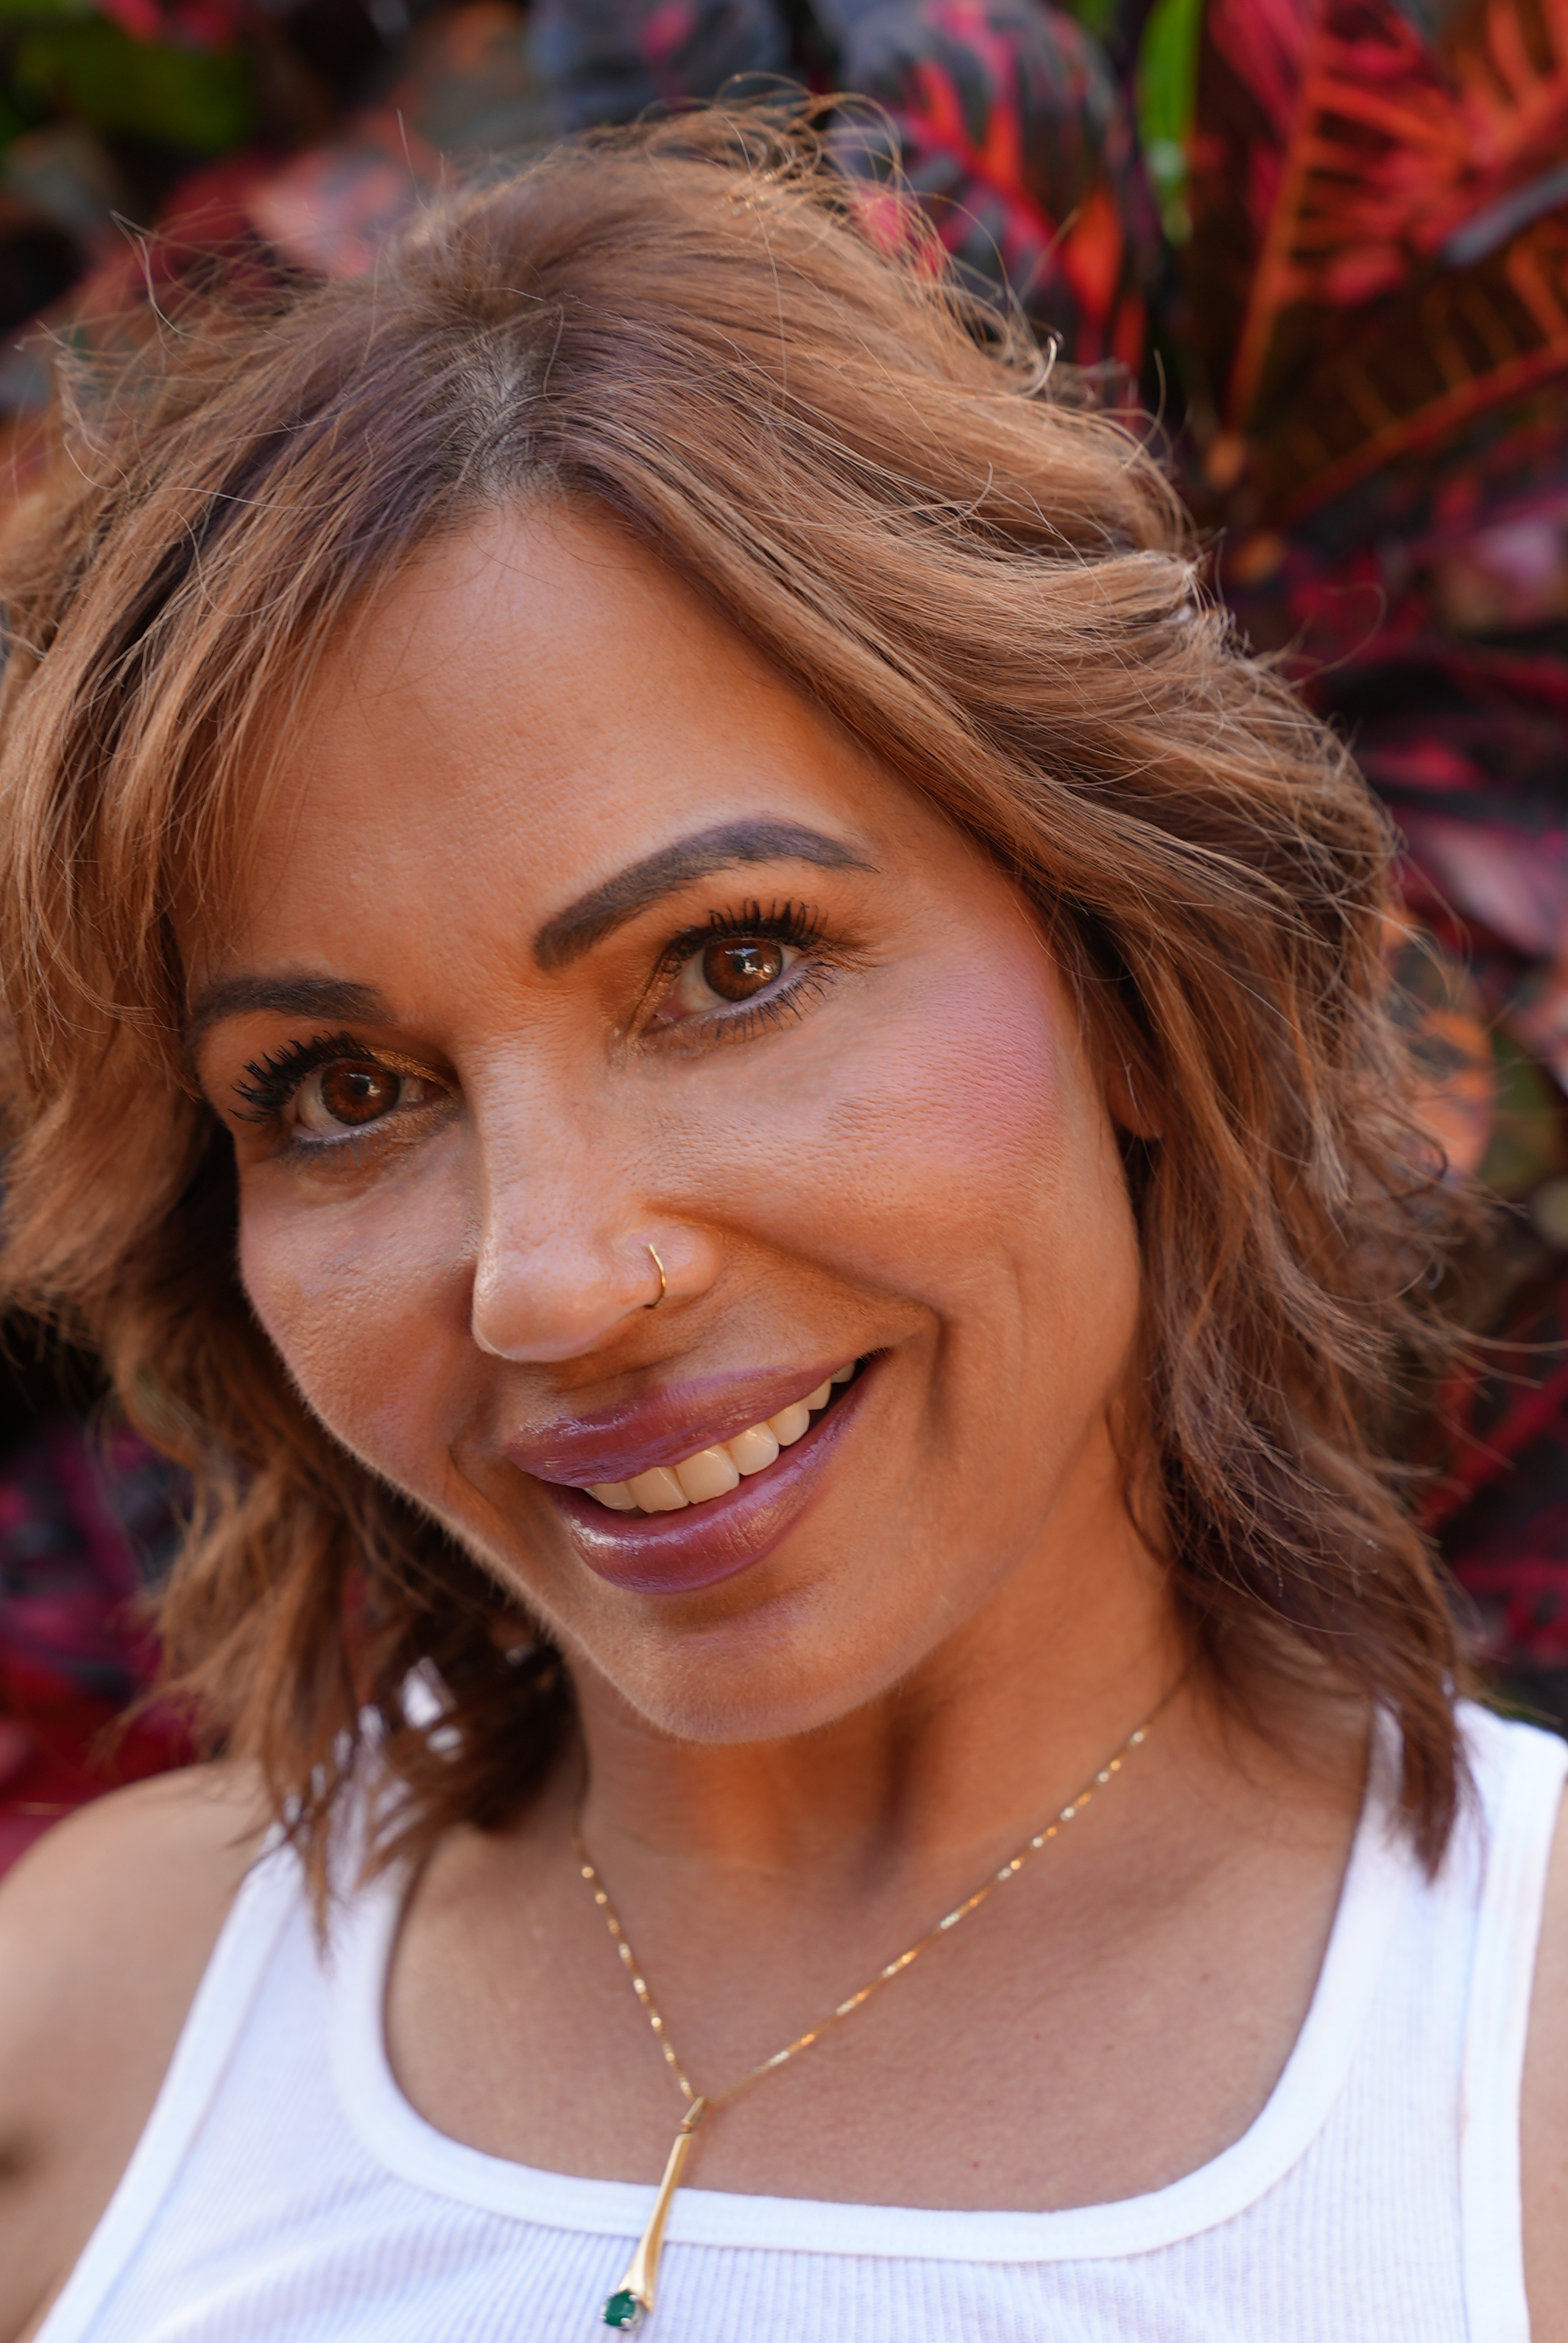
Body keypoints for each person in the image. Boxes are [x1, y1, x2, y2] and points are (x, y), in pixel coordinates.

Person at [0, 105, 1562, 2343]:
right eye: (344, 1092)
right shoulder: (93, 2034)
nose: (553, 1272)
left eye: (732, 964)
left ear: (1123, 974)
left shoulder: (1518, 2096)